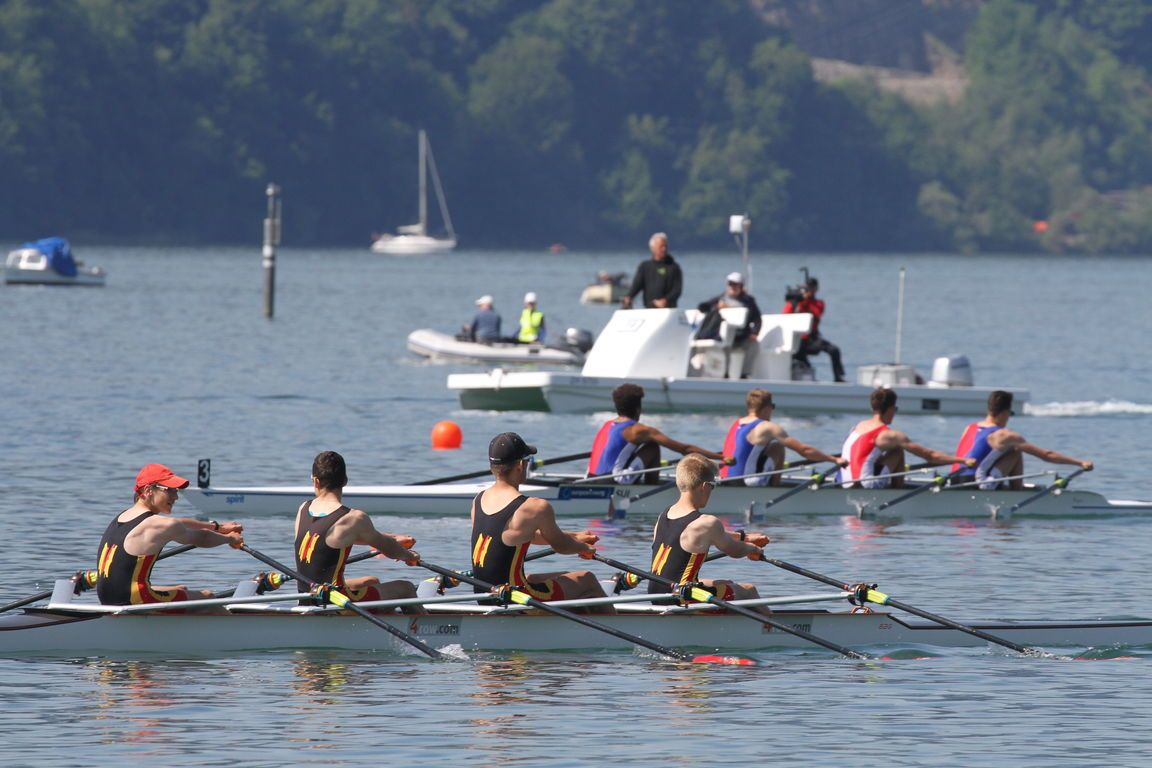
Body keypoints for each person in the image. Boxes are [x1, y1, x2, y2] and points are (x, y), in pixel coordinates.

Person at [472, 432, 608, 609]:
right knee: (587, 579)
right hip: (514, 598)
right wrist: (585, 549)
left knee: (534, 577)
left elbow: (520, 535)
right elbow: (561, 546)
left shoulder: (478, 500)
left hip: (484, 596)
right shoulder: (534, 507)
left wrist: (575, 536)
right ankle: (617, 631)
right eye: (528, 459)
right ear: (521, 465)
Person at [628, 454, 769, 609]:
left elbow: (706, 534)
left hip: (656, 594)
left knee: (725, 584)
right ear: (704, 486)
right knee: (748, 590)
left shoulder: (664, 515)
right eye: (712, 486)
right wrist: (753, 549)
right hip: (682, 598)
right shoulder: (707, 522)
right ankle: (769, 631)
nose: (711, 491)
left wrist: (744, 537)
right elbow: (735, 551)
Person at [294, 451, 425, 613]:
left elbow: (336, 538)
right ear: (345, 481)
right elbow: (389, 549)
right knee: (405, 588)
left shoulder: (303, 509)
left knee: (370, 581)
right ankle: (427, 633)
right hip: (336, 604)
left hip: (308, 597)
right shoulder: (353, 518)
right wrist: (409, 556)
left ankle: (380, 627)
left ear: (316, 481)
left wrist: (395, 538)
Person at [96, 463, 244, 606]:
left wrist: (219, 527)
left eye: (176, 491)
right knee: (207, 598)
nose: (176, 497)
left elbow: (180, 523)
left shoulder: (124, 516)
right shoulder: (161, 525)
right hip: (136, 599)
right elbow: (202, 538)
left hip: (110, 598)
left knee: (181, 590)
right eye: (170, 490)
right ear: (148, 491)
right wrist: (230, 538)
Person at [587, 383, 728, 484]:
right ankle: (651, 486)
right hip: (614, 480)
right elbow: (684, 449)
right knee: (653, 447)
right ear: (638, 409)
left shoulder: (606, 426)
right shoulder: (639, 430)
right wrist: (721, 457)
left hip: (591, 478)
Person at [952, 390, 1093, 489]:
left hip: (954, 481)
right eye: (1010, 414)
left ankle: (1010, 489)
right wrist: (1079, 462)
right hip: (975, 484)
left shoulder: (969, 427)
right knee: (1016, 450)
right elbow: (1046, 455)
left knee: (1006, 451)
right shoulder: (1005, 435)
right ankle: (1016, 493)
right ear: (1006, 412)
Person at [837, 388, 974, 489]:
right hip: (865, 486)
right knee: (897, 451)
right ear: (890, 409)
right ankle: (898, 490)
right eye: (895, 409)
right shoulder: (889, 435)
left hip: (844, 483)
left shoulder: (857, 427)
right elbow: (930, 456)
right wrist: (963, 460)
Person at [721, 389, 847, 486]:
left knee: (765, 448)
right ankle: (774, 488)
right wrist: (833, 459)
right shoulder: (767, 427)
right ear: (767, 408)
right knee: (777, 446)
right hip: (743, 483)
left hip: (723, 480)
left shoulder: (736, 423)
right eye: (773, 407)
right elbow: (804, 450)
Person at [696, 272, 764, 378]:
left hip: (741, 336)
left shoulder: (749, 301)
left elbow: (757, 319)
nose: (733, 287)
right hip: (725, 336)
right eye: (730, 284)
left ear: (741, 286)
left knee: (754, 345)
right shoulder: (721, 298)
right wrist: (717, 307)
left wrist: (755, 332)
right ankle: (725, 373)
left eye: (736, 285)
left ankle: (744, 374)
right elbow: (702, 306)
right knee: (725, 344)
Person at [783, 277, 846, 382]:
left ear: (816, 289)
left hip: (811, 340)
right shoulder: (793, 303)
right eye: (808, 288)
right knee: (802, 363)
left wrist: (806, 300)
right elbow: (785, 318)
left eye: (812, 288)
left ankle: (838, 377)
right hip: (796, 342)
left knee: (834, 350)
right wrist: (800, 300)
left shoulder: (819, 303)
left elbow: (817, 313)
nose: (810, 290)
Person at [620, 232, 682, 309]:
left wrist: (665, 300)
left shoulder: (674, 267)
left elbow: (677, 290)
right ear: (653, 248)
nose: (664, 249)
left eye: (665, 246)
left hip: (668, 309)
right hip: (649, 309)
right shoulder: (645, 267)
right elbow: (636, 286)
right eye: (661, 246)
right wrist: (629, 297)